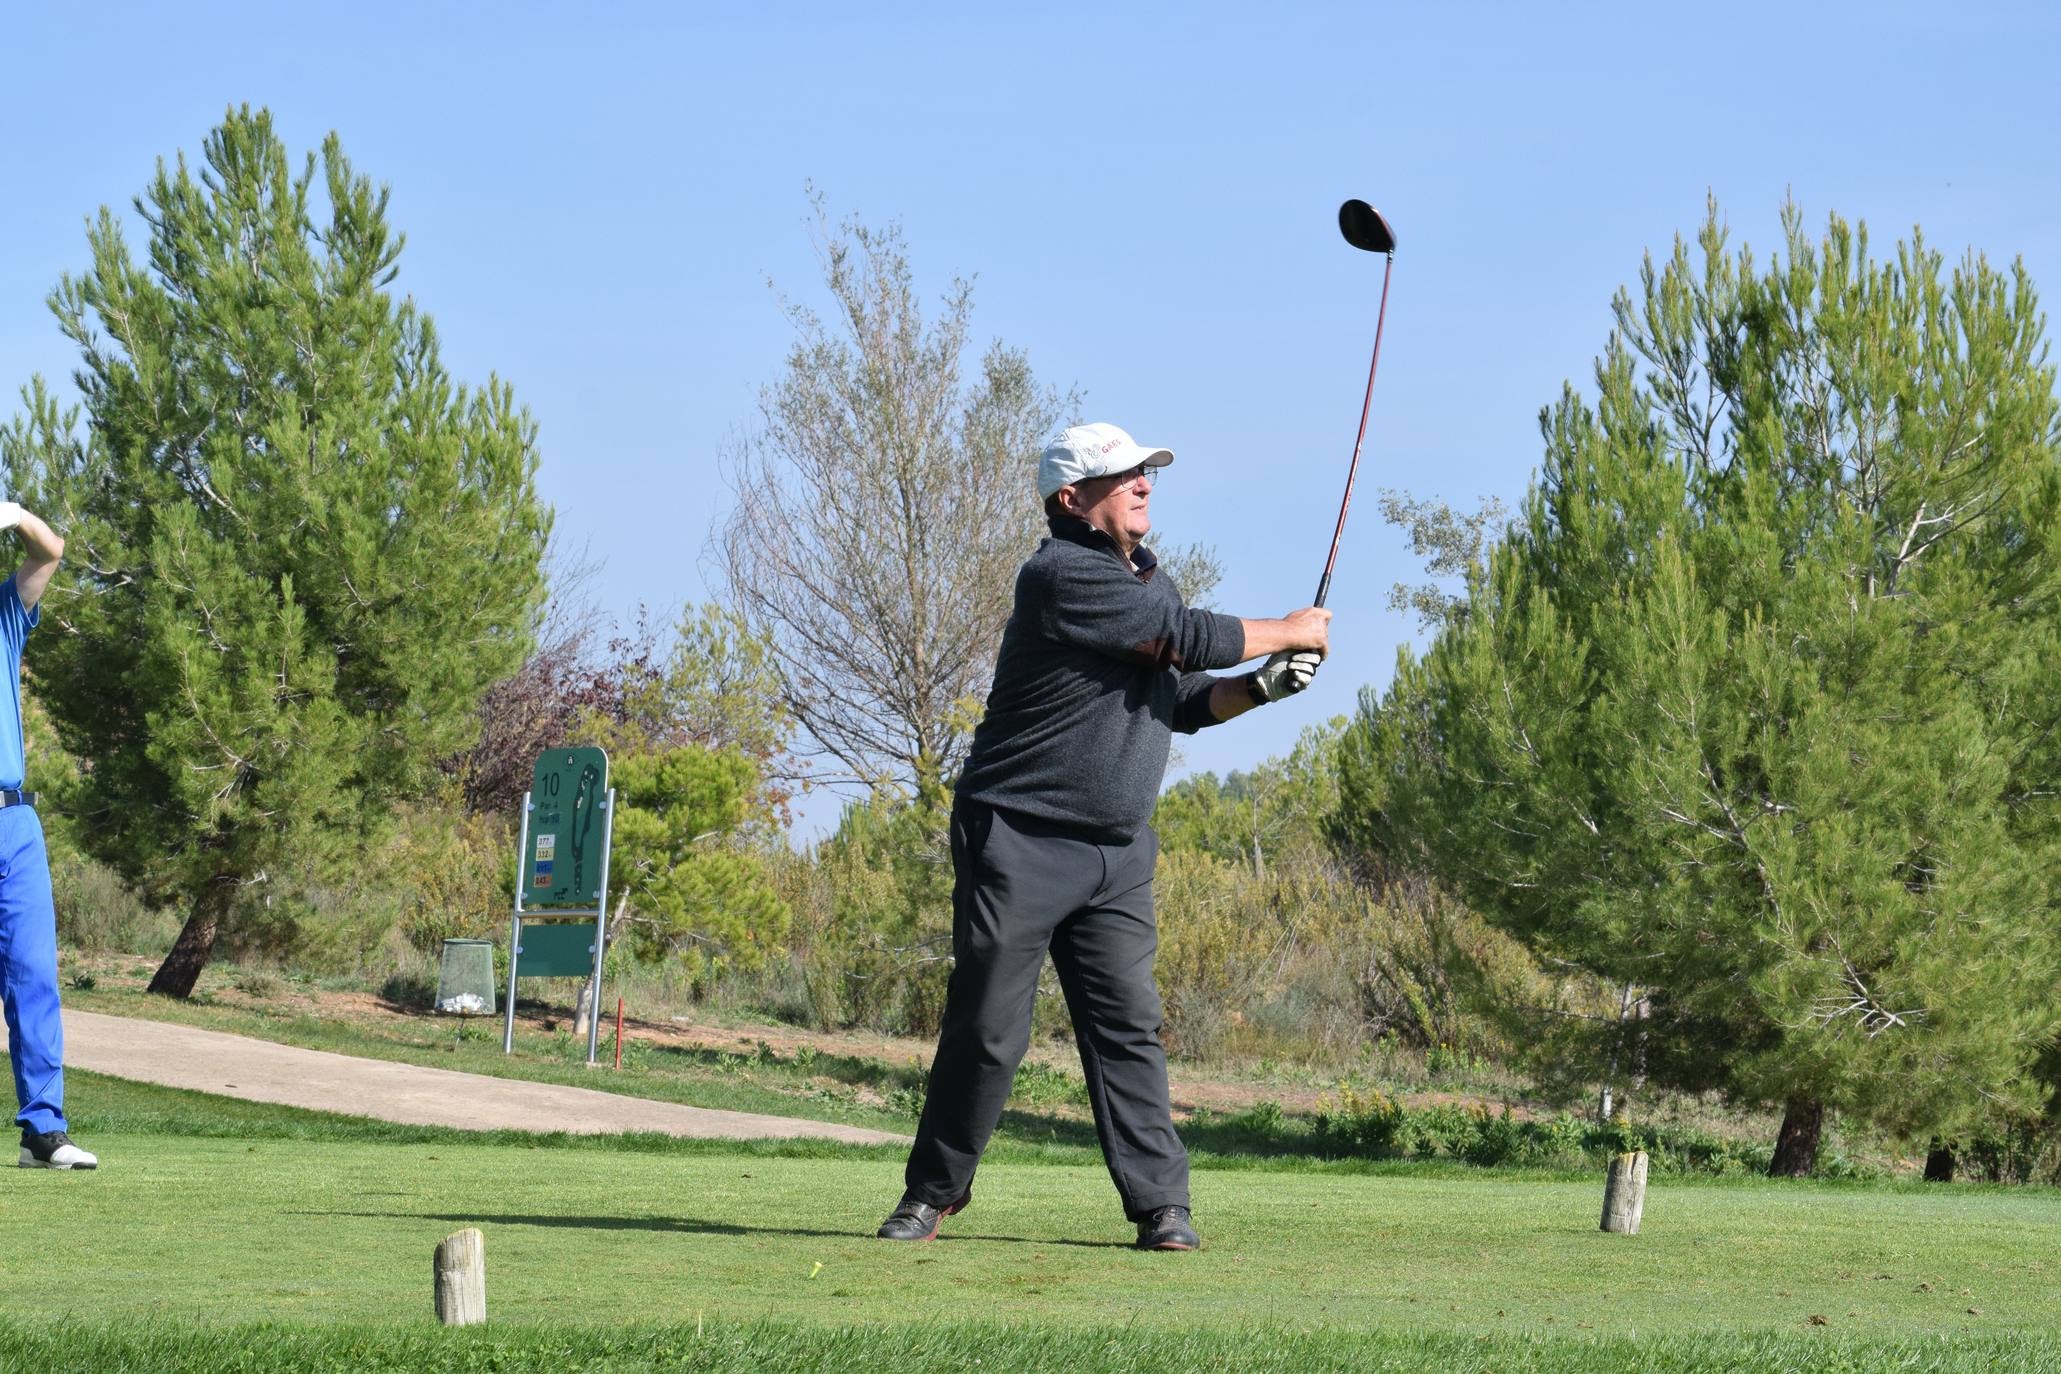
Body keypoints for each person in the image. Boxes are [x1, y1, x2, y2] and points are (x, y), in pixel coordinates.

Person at [877, 422, 1328, 1249]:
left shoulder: (1146, 582)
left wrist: (1260, 686)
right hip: (1017, 835)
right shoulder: (1059, 575)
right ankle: (932, 1193)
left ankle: (1162, 1208)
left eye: (1146, 472)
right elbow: (1184, 638)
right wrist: (1288, 629)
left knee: (1128, 1028)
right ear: (1071, 499)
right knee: (986, 1030)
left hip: (1117, 851)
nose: (1143, 483)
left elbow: (1185, 697)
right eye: (1123, 474)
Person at [0, 500, 91, 1169]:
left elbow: (49, 552)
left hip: (14, 821)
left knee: (35, 977)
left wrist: (12, 511)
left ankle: (42, 1131)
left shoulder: (4, 618)